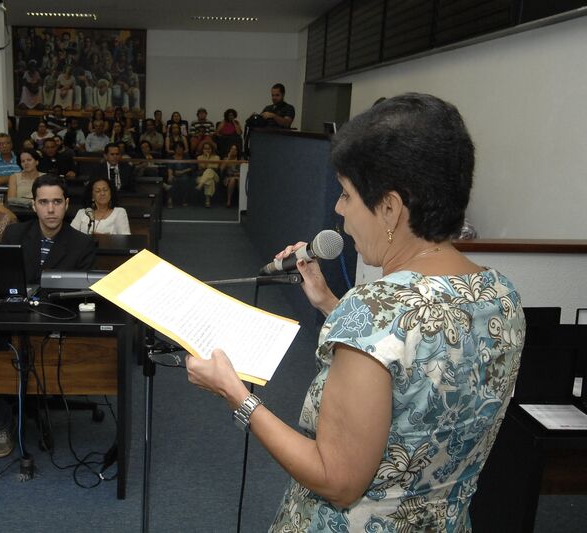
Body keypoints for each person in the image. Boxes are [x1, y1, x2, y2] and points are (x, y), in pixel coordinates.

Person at [185, 93, 526, 531]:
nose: (339, 209)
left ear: (390, 208)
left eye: (347, 195)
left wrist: (237, 395)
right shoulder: (501, 294)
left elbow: (337, 481)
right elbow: (419, 359)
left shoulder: (373, 310)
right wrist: (331, 303)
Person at [0, 175, 96, 457]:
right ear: (34, 205)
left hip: (56, 324)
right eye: (44, 202)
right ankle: (1, 422)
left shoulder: (83, 243)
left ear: (66, 204)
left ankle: (34, 399)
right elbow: (1, 279)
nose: (50, 209)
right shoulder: (14, 235)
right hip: (13, 319)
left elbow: (79, 294)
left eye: (57, 202)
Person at [195, 141, 221, 208]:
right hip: (203, 177)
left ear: (212, 149)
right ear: (202, 149)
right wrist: (208, 161)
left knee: (209, 170)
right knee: (209, 180)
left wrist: (207, 160)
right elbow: (200, 168)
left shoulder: (216, 157)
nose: (207, 150)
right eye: (205, 149)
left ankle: (200, 184)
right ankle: (207, 200)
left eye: (209, 148)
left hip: (215, 177)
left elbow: (215, 167)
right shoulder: (199, 157)